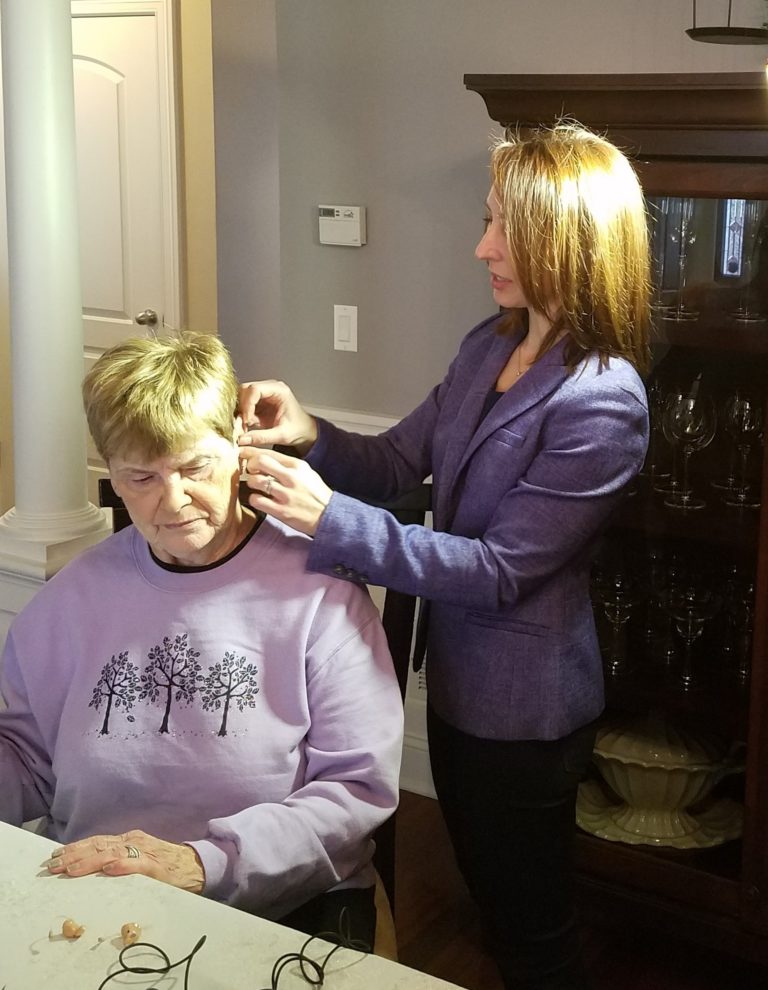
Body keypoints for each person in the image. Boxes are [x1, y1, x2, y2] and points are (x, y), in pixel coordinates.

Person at [237, 123, 651, 989]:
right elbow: (397, 460)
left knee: (533, 933)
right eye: (487, 219)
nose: (482, 247)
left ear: (566, 242)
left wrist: (329, 519)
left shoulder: (604, 402)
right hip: (460, 688)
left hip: (527, 713)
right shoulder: (488, 346)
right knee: (495, 902)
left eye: (505, 227)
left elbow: (499, 571)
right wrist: (308, 430)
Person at [0, 332, 403, 944]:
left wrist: (201, 863)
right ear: (110, 473)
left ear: (240, 446)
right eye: (141, 477)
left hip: (273, 905)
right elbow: (26, 758)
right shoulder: (71, 598)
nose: (173, 501)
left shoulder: (322, 594)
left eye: (195, 468)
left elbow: (355, 789)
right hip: (95, 896)